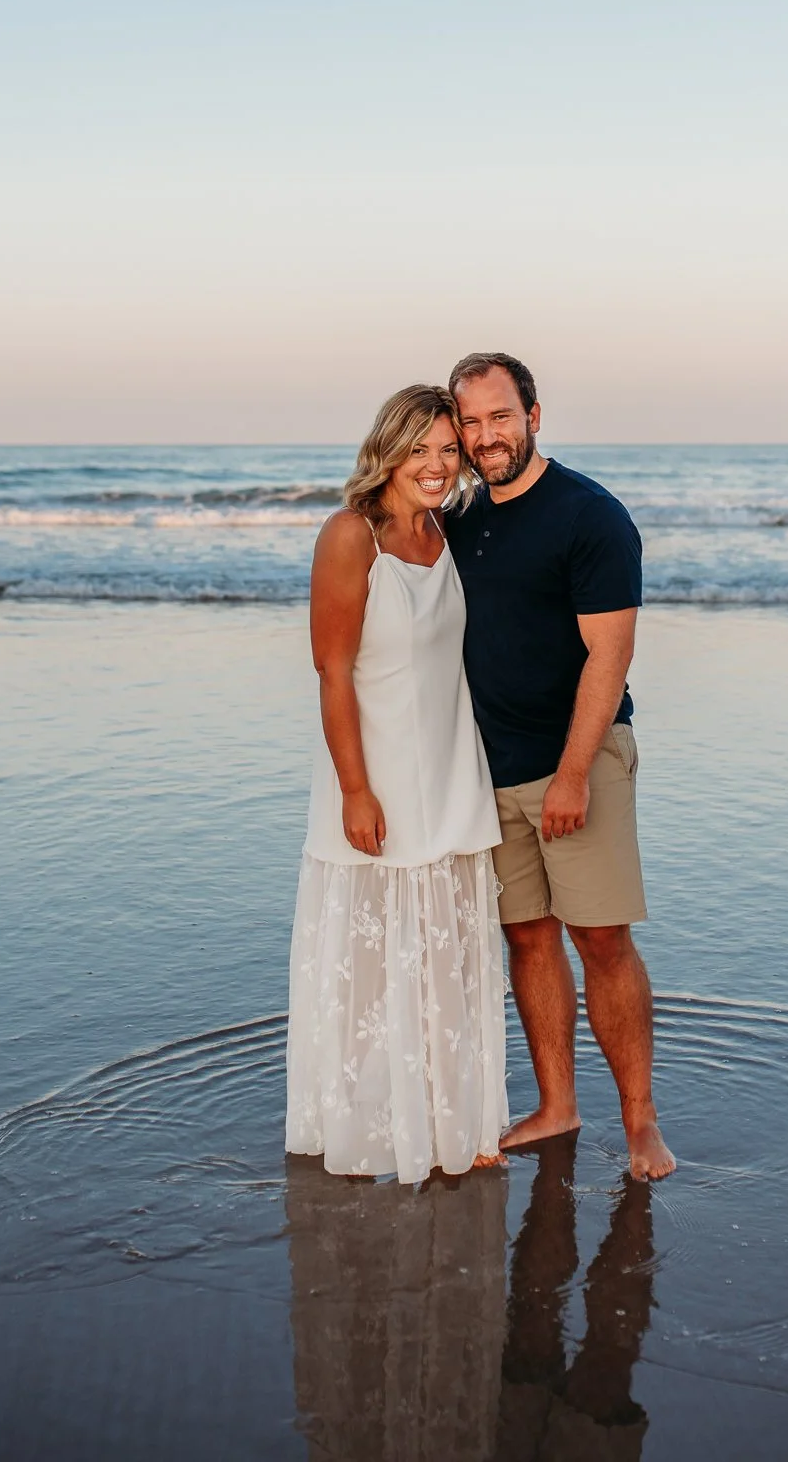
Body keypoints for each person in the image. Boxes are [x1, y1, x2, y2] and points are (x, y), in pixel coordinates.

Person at [445, 353, 675, 1181]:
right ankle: (557, 1107)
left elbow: (609, 656)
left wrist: (573, 774)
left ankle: (641, 1124)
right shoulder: (459, 517)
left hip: (577, 760)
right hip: (490, 767)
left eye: (499, 416)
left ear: (533, 417)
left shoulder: (589, 516)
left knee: (601, 939)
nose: (485, 436)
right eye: (471, 421)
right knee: (528, 938)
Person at [285, 384, 509, 1183]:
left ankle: (453, 1123)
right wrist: (355, 789)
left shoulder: (446, 529)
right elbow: (331, 670)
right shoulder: (352, 535)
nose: (437, 465)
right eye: (420, 450)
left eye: (449, 450)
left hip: (451, 773)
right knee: (380, 960)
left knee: (446, 961)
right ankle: (373, 1129)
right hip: (377, 774)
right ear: (388, 450)